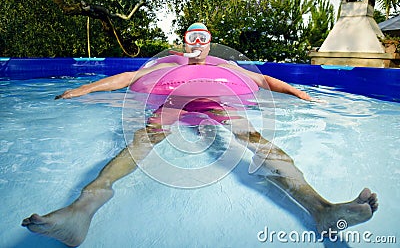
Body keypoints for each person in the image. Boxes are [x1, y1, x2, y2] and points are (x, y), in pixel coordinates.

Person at [22, 23, 378, 247]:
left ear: (210, 43)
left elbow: (265, 80)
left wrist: (300, 94)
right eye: (192, 36)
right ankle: (82, 210)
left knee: (257, 141)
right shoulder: (166, 65)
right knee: (144, 140)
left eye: (203, 37)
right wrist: (82, 90)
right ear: (183, 41)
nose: (198, 42)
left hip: (217, 106)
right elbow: (126, 79)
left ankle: (321, 210)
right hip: (172, 105)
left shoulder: (227, 67)